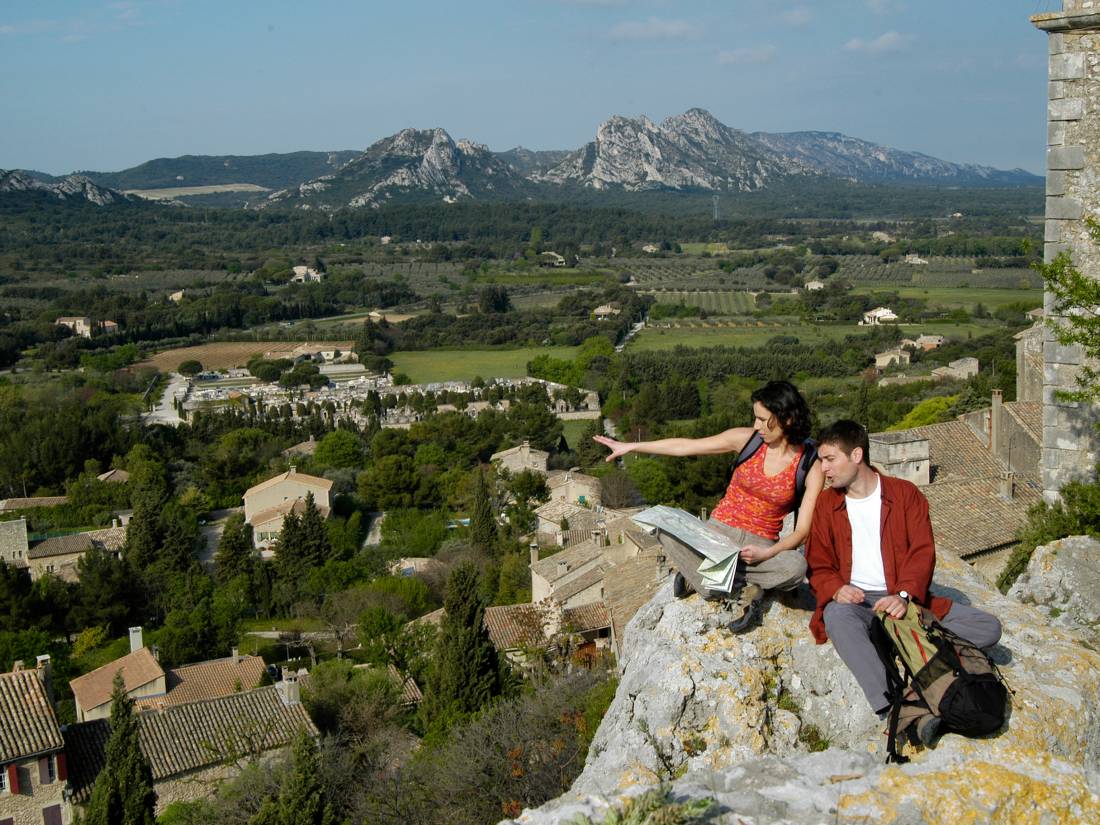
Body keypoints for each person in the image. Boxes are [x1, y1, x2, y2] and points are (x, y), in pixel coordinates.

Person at [805, 420, 1002, 743]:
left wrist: (904, 595)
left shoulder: (905, 495)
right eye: (821, 460)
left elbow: (922, 553)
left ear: (856, 455)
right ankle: (895, 708)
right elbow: (818, 561)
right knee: (836, 617)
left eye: (829, 459)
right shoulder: (827, 505)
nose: (823, 468)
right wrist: (837, 588)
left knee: (989, 629)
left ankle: (900, 637)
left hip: (905, 600)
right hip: (859, 603)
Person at [593, 380, 824, 633]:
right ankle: (740, 586)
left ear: (786, 419)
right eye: (755, 418)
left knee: (795, 567)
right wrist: (631, 446)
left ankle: (704, 578)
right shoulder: (747, 441)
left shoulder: (809, 464)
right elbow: (686, 446)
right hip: (717, 532)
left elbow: (802, 531)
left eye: (762, 419)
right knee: (663, 528)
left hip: (759, 546)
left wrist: (767, 554)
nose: (756, 426)